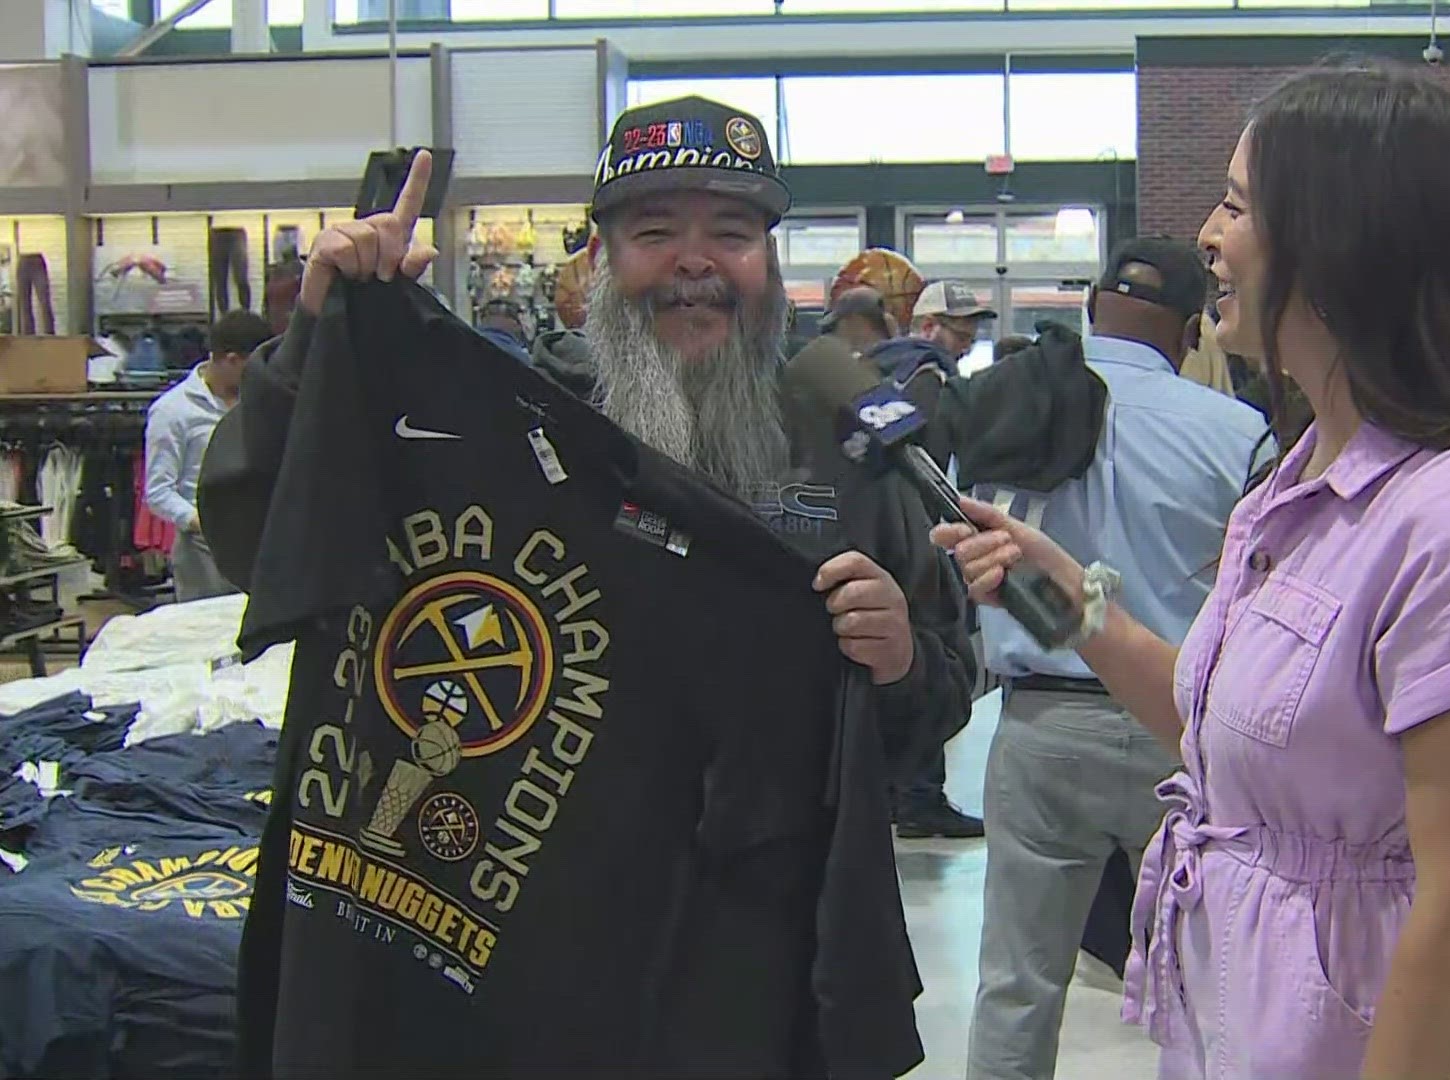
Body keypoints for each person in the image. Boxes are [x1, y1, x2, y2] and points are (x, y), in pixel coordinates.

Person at [199, 102, 978, 1053]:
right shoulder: (500, 429)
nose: (696, 262)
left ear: (767, 264)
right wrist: (322, 339)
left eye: (731, 234)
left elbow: (938, 700)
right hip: (532, 948)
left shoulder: (846, 454)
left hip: (753, 974)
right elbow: (264, 536)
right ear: (601, 260)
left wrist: (897, 660)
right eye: (655, 233)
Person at [936, 62, 1450, 1079]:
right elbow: (1227, 733)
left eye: (1240, 205)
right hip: (1237, 1027)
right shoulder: (1294, 481)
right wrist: (1074, 602)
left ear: (1338, 239)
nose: (1209, 234)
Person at [966, 236, 1269, 1080]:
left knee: (1017, 985)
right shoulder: (1239, 432)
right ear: (1187, 330)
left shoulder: (1003, 400)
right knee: (1209, 991)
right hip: (1180, 731)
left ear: (1094, 306)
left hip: (1039, 727)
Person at [862, 278, 997, 839]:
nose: (964, 342)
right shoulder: (929, 375)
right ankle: (920, 796)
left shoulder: (874, 369)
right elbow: (921, 462)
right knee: (937, 650)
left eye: (969, 332)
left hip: (881, 528)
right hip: (919, 532)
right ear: (927, 326)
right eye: (957, 330)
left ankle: (901, 792)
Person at [143, 309, 269, 601]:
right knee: (206, 636)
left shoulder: (260, 402)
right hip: (203, 546)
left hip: (259, 538)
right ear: (231, 360)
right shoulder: (173, 411)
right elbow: (158, 491)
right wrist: (199, 520)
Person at [821, 285, 899, 357]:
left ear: (856, 320)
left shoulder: (867, 366)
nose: (837, 331)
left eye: (840, 323)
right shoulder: (902, 355)